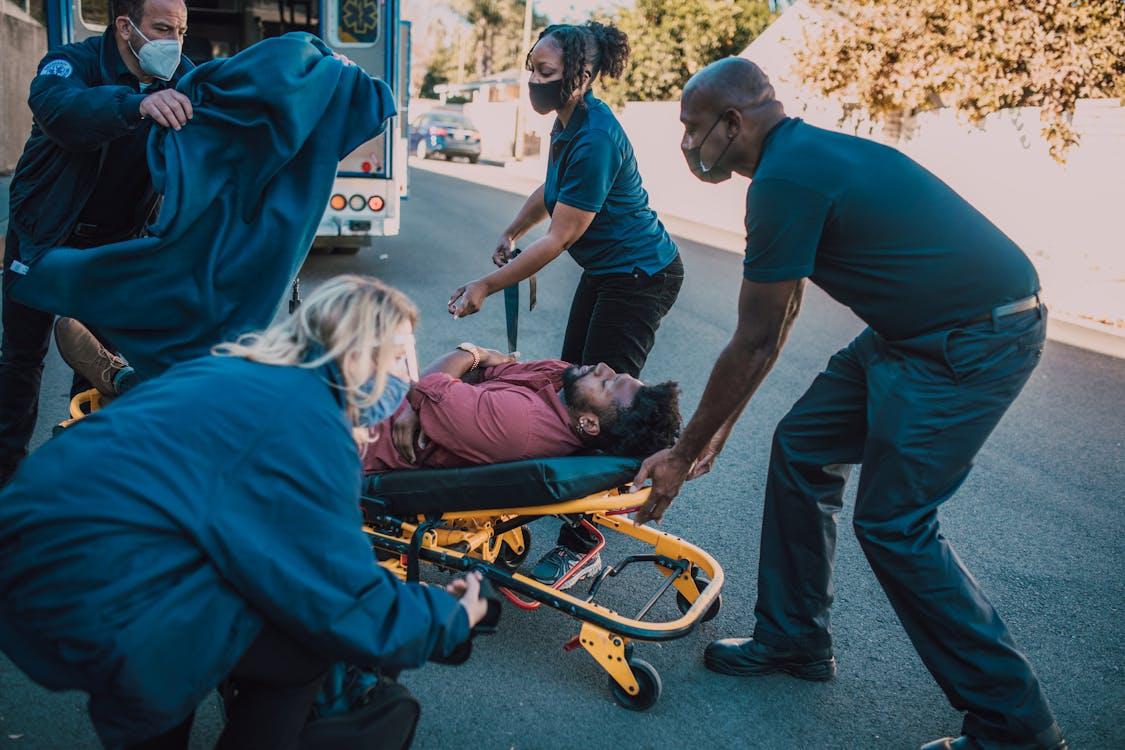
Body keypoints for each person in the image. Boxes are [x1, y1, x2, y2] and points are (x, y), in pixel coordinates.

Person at [631, 58, 1066, 750]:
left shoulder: (782, 180)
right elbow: (781, 314)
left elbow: (752, 338)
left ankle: (1016, 729)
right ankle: (794, 640)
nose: (687, 145)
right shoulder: (804, 155)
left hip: (972, 340)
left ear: (732, 122)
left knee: (895, 523)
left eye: (691, 128)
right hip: (909, 333)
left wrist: (685, 453)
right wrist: (718, 433)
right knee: (802, 447)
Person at [0, 276, 490, 749]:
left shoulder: (231, 371)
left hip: (37, 547)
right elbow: (340, 598)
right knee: (303, 649)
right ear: (361, 357)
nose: (408, 374)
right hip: (104, 584)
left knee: (215, 605)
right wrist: (451, 615)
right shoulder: (308, 424)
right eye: (399, 356)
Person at [447, 20, 684, 582]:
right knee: (567, 386)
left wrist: (485, 285)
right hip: (609, 272)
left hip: (640, 276)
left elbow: (562, 235)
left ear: (579, 76)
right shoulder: (567, 124)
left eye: (545, 73)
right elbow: (549, 192)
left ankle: (586, 538)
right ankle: (554, 499)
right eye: (532, 67)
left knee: (603, 409)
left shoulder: (597, 135)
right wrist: (511, 230)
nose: (533, 79)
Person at [0, 0, 194, 487]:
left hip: (114, 248)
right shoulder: (71, 62)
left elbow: (241, 101)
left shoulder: (183, 77)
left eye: (182, 30)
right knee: (21, 360)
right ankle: (8, 480)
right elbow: (61, 111)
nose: (175, 42)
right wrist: (135, 105)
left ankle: (78, 478)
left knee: (98, 367)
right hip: (43, 236)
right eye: (164, 28)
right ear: (126, 28)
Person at [364, 345, 682, 588]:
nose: (602, 367)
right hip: (379, 406)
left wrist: (469, 352)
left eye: (606, 384)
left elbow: (431, 383)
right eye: (612, 374)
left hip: (362, 442)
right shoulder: (562, 381)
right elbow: (482, 374)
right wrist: (426, 394)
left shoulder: (520, 423)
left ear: (589, 424)